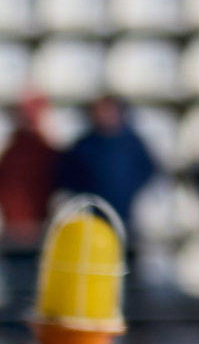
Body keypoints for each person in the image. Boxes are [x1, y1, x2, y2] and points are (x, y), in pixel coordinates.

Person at [55, 95, 157, 276]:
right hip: (93, 220)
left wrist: (131, 193)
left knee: (128, 266)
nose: (105, 115)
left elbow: (148, 170)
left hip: (127, 216)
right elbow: (67, 177)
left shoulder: (132, 144)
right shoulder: (83, 146)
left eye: (109, 110)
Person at [0, 94, 58, 320]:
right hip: (18, 228)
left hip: (36, 227)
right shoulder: (15, 150)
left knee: (33, 287)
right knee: (19, 287)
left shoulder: (42, 149)